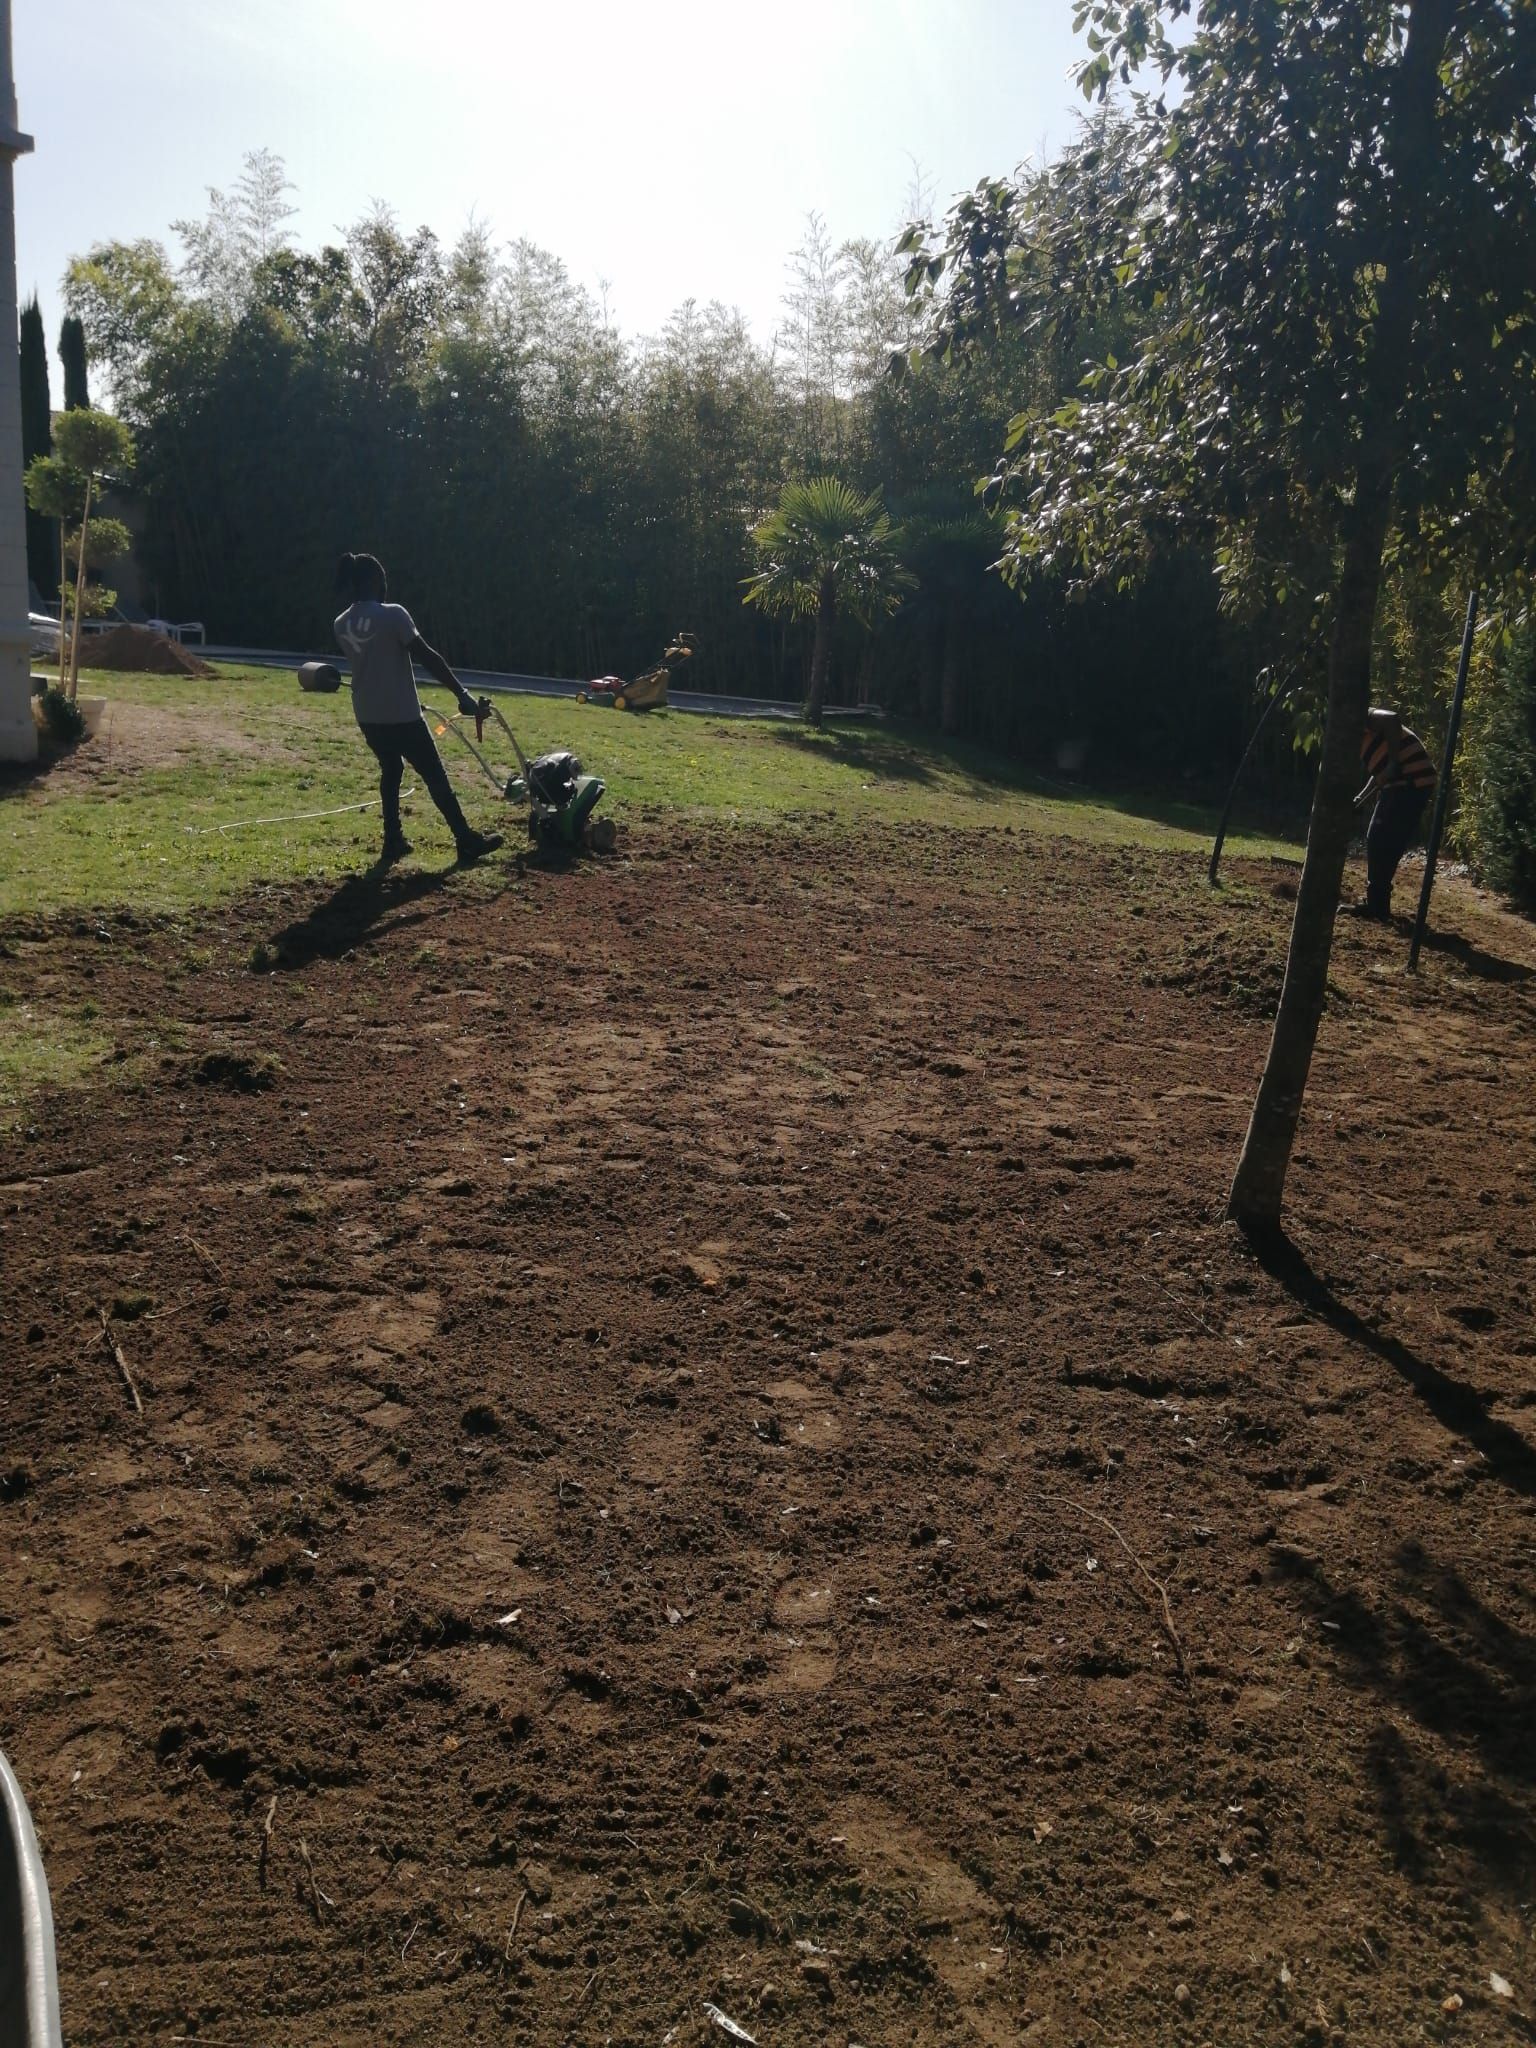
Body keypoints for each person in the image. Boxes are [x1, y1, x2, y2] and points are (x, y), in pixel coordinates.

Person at [333, 552, 503, 867]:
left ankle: (393, 840)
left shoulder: (340, 623)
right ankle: (465, 839)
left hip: (368, 715)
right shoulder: (394, 615)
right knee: (434, 774)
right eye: (383, 581)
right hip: (402, 715)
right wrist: (461, 694)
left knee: (391, 768)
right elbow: (427, 657)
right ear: (375, 581)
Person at [1346, 706, 1437, 920]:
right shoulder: (1361, 736)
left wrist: (1395, 762)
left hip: (1410, 781)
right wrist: (1361, 797)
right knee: (1383, 840)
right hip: (1404, 783)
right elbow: (1381, 772)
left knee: (1380, 839)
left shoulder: (1362, 716)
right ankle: (1378, 904)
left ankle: (1376, 905)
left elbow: (1393, 719)